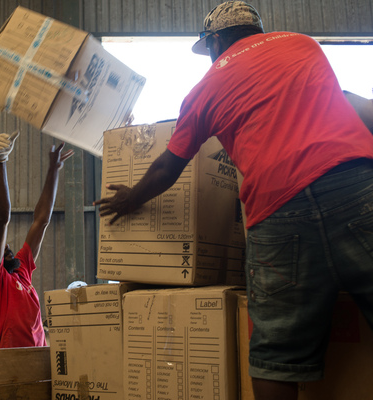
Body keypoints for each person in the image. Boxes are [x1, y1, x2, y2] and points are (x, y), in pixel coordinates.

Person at [93, 2, 373, 400]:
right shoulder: (303, 45)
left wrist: (129, 200)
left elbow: (167, 169)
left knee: (276, 351)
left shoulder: (204, 90)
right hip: (356, 184)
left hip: (277, 210)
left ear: (216, 41)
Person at [0, 131, 74, 349]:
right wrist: (1, 161)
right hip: (13, 366)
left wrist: (53, 171)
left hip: (40, 359)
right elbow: (1, 218)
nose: (5, 244)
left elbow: (42, 220)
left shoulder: (21, 270)